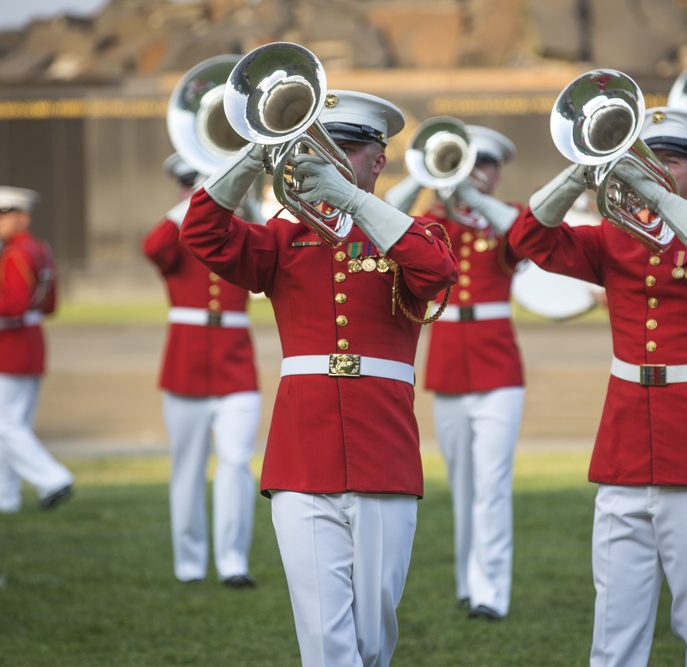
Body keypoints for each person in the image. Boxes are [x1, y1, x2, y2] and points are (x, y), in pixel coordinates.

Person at [180, 90, 459, 667]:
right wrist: (257, 155)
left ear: (377, 160)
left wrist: (350, 200)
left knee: (373, 636)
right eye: (316, 146)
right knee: (324, 637)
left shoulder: (414, 232)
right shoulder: (284, 237)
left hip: (382, 452)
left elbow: (435, 272)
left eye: (347, 148)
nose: (330, 158)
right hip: (301, 455)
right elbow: (202, 234)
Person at [508, 106, 687, 666]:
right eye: (644, 157)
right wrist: (581, 170)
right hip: (625, 448)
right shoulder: (614, 240)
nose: (651, 168)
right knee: (616, 623)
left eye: (669, 160)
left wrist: (663, 199)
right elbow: (529, 239)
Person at [386, 126, 525, 620]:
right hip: (449, 366)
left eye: (486, 164)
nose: (478, 172)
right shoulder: (431, 221)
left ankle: (491, 592)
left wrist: (468, 194)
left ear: (497, 171)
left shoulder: (504, 218)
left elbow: (524, 238)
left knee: (492, 483)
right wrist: (429, 181)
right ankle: (469, 583)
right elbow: (382, 220)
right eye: (471, 163)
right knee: (463, 485)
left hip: (498, 370)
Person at [142, 153, 262, 588]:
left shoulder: (236, 229)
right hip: (187, 364)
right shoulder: (176, 231)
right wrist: (195, 201)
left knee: (236, 462)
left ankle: (233, 562)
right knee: (187, 467)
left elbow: (266, 246)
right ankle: (189, 564)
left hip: (235, 364)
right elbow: (152, 248)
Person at [0, 186, 74, 513]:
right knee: (13, 427)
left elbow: (15, 305)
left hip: (12, 343)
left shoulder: (16, 253)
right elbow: (48, 305)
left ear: (24, 217)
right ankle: (0, 498)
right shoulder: (40, 249)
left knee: (5, 426)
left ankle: (52, 478)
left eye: (6, 214)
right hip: (32, 341)